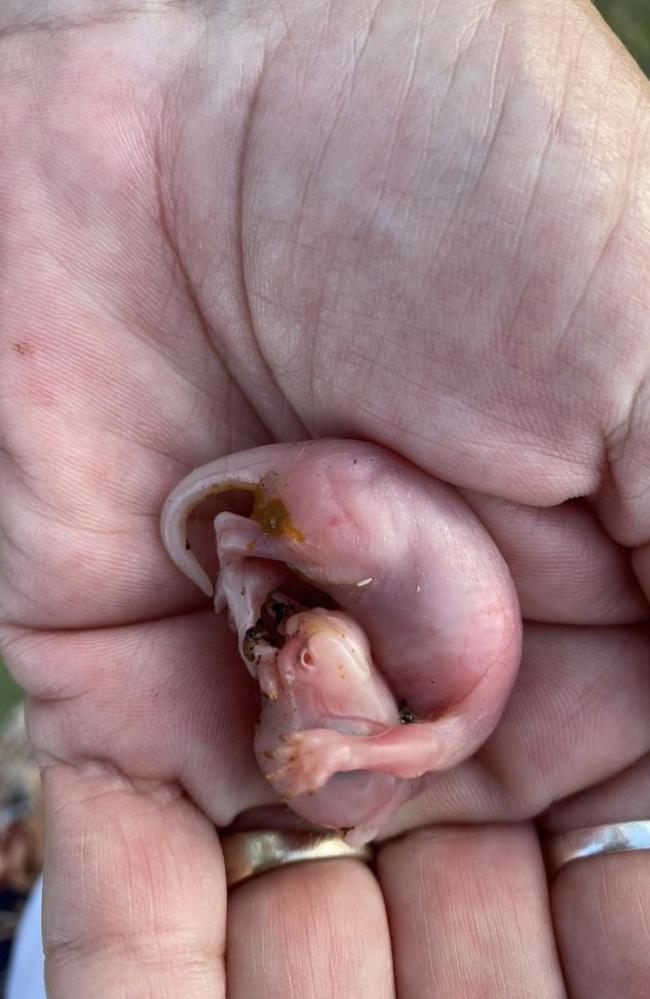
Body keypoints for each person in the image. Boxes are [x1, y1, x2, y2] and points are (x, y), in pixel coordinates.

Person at [1, 0, 649, 995]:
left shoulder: (375, 677)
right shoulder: (429, 724)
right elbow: (382, 746)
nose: (287, 670)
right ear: (382, 713)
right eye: (307, 678)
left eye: (276, 686)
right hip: (356, 524)